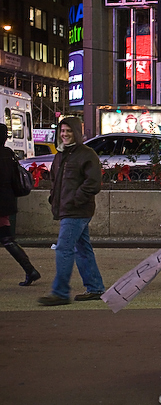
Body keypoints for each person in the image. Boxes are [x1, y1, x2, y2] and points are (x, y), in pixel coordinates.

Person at [37, 117, 106, 306]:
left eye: (68, 131)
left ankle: (60, 292)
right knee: (82, 248)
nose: (64, 134)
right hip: (70, 207)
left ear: (76, 133)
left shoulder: (86, 154)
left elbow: (93, 183)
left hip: (77, 210)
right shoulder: (61, 154)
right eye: (62, 131)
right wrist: (55, 198)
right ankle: (95, 287)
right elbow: (56, 180)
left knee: (64, 248)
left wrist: (75, 199)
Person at [0, 124, 41, 286]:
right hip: (7, 202)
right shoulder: (8, 153)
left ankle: (30, 270)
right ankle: (30, 270)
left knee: (7, 239)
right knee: (7, 239)